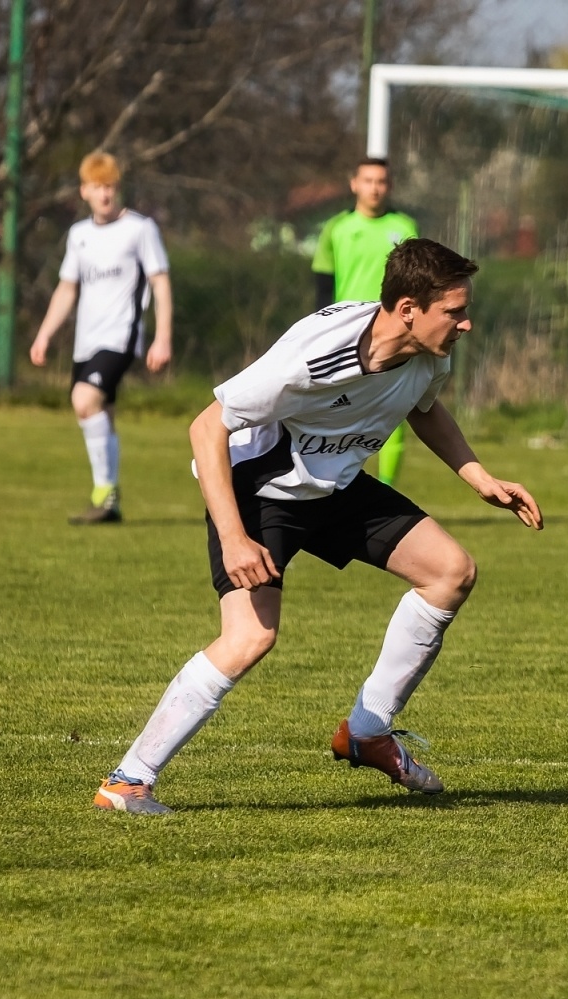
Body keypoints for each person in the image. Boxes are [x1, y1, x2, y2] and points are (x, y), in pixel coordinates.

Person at [93, 239, 543, 815]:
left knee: (450, 572)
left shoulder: (431, 352)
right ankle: (128, 780)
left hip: (334, 485)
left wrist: (478, 476)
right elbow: (206, 429)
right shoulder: (314, 357)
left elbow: (422, 406)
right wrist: (235, 538)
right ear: (408, 309)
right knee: (250, 638)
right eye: (454, 311)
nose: (466, 323)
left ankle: (368, 731)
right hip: (262, 492)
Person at [30, 150, 172, 524]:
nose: (105, 194)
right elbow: (66, 289)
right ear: (84, 192)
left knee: (83, 400)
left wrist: (163, 337)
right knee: (101, 415)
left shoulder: (141, 229)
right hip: (86, 340)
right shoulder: (79, 235)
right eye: (97, 187)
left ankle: (103, 491)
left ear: (117, 188)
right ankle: (108, 502)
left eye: (110, 187)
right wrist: (44, 334)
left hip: (121, 336)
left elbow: (160, 283)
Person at [313, 157, 420, 487]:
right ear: (354, 184)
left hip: (394, 328)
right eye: (368, 180)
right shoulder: (337, 228)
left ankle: (386, 486)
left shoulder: (404, 227)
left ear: (389, 186)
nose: (375, 188)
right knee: (339, 405)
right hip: (347, 330)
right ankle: (333, 481)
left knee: (396, 406)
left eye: (382, 181)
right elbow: (322, 281)